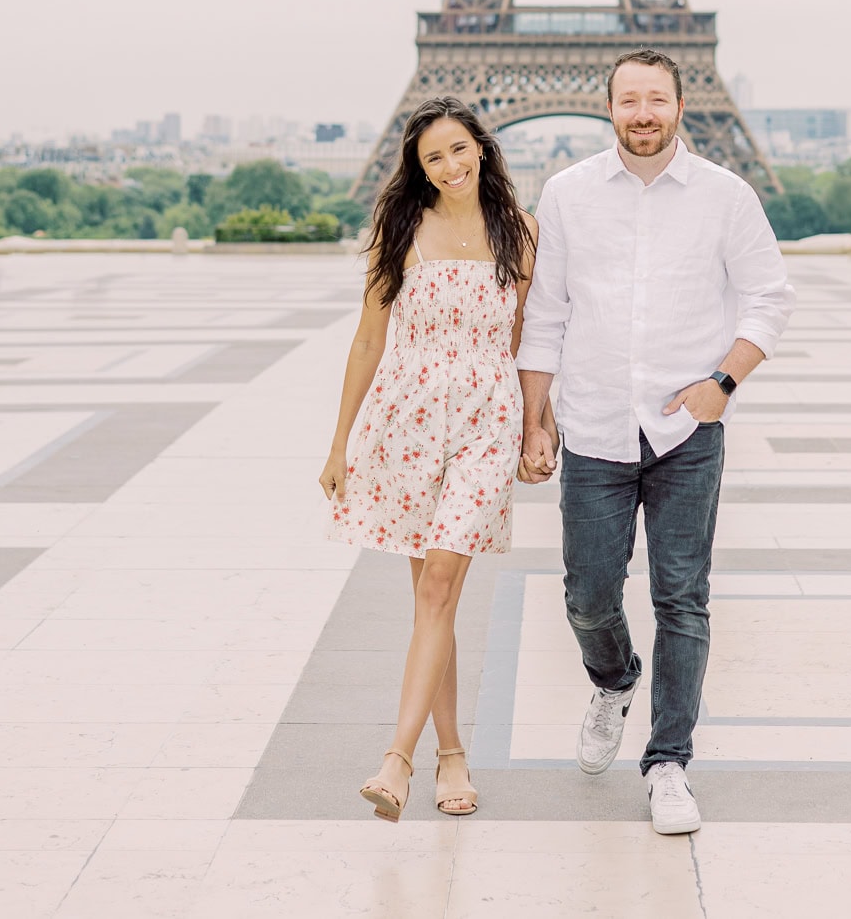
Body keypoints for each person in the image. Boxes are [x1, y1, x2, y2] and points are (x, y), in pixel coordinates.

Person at [515, 48, 795, 835]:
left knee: (683, 598)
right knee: (588, 593)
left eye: (657, 99)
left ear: (681, 105)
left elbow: (770, 296)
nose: (644, 112)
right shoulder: (569, 194)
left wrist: (723, 384)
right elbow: (545, 316)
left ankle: (669, 760)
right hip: (596, 425)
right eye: (629, 99)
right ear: (609, 107)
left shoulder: (725, 195)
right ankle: (614, 679)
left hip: (686, 432)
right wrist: (535, 422)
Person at [318, 96, 552, 822]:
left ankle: (398, 756)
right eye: (433, 157)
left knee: (442, 578)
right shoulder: (402, 227)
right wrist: (339, 443)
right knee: (434, 599)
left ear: (482, 146)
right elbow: (367, 338)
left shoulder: (522, 232)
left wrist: (536, 426)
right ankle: (452, 757)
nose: (450, 165)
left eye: (458, 148)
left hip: (485, 420)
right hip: (407, 421)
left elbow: (529, 340)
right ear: (418, 169)